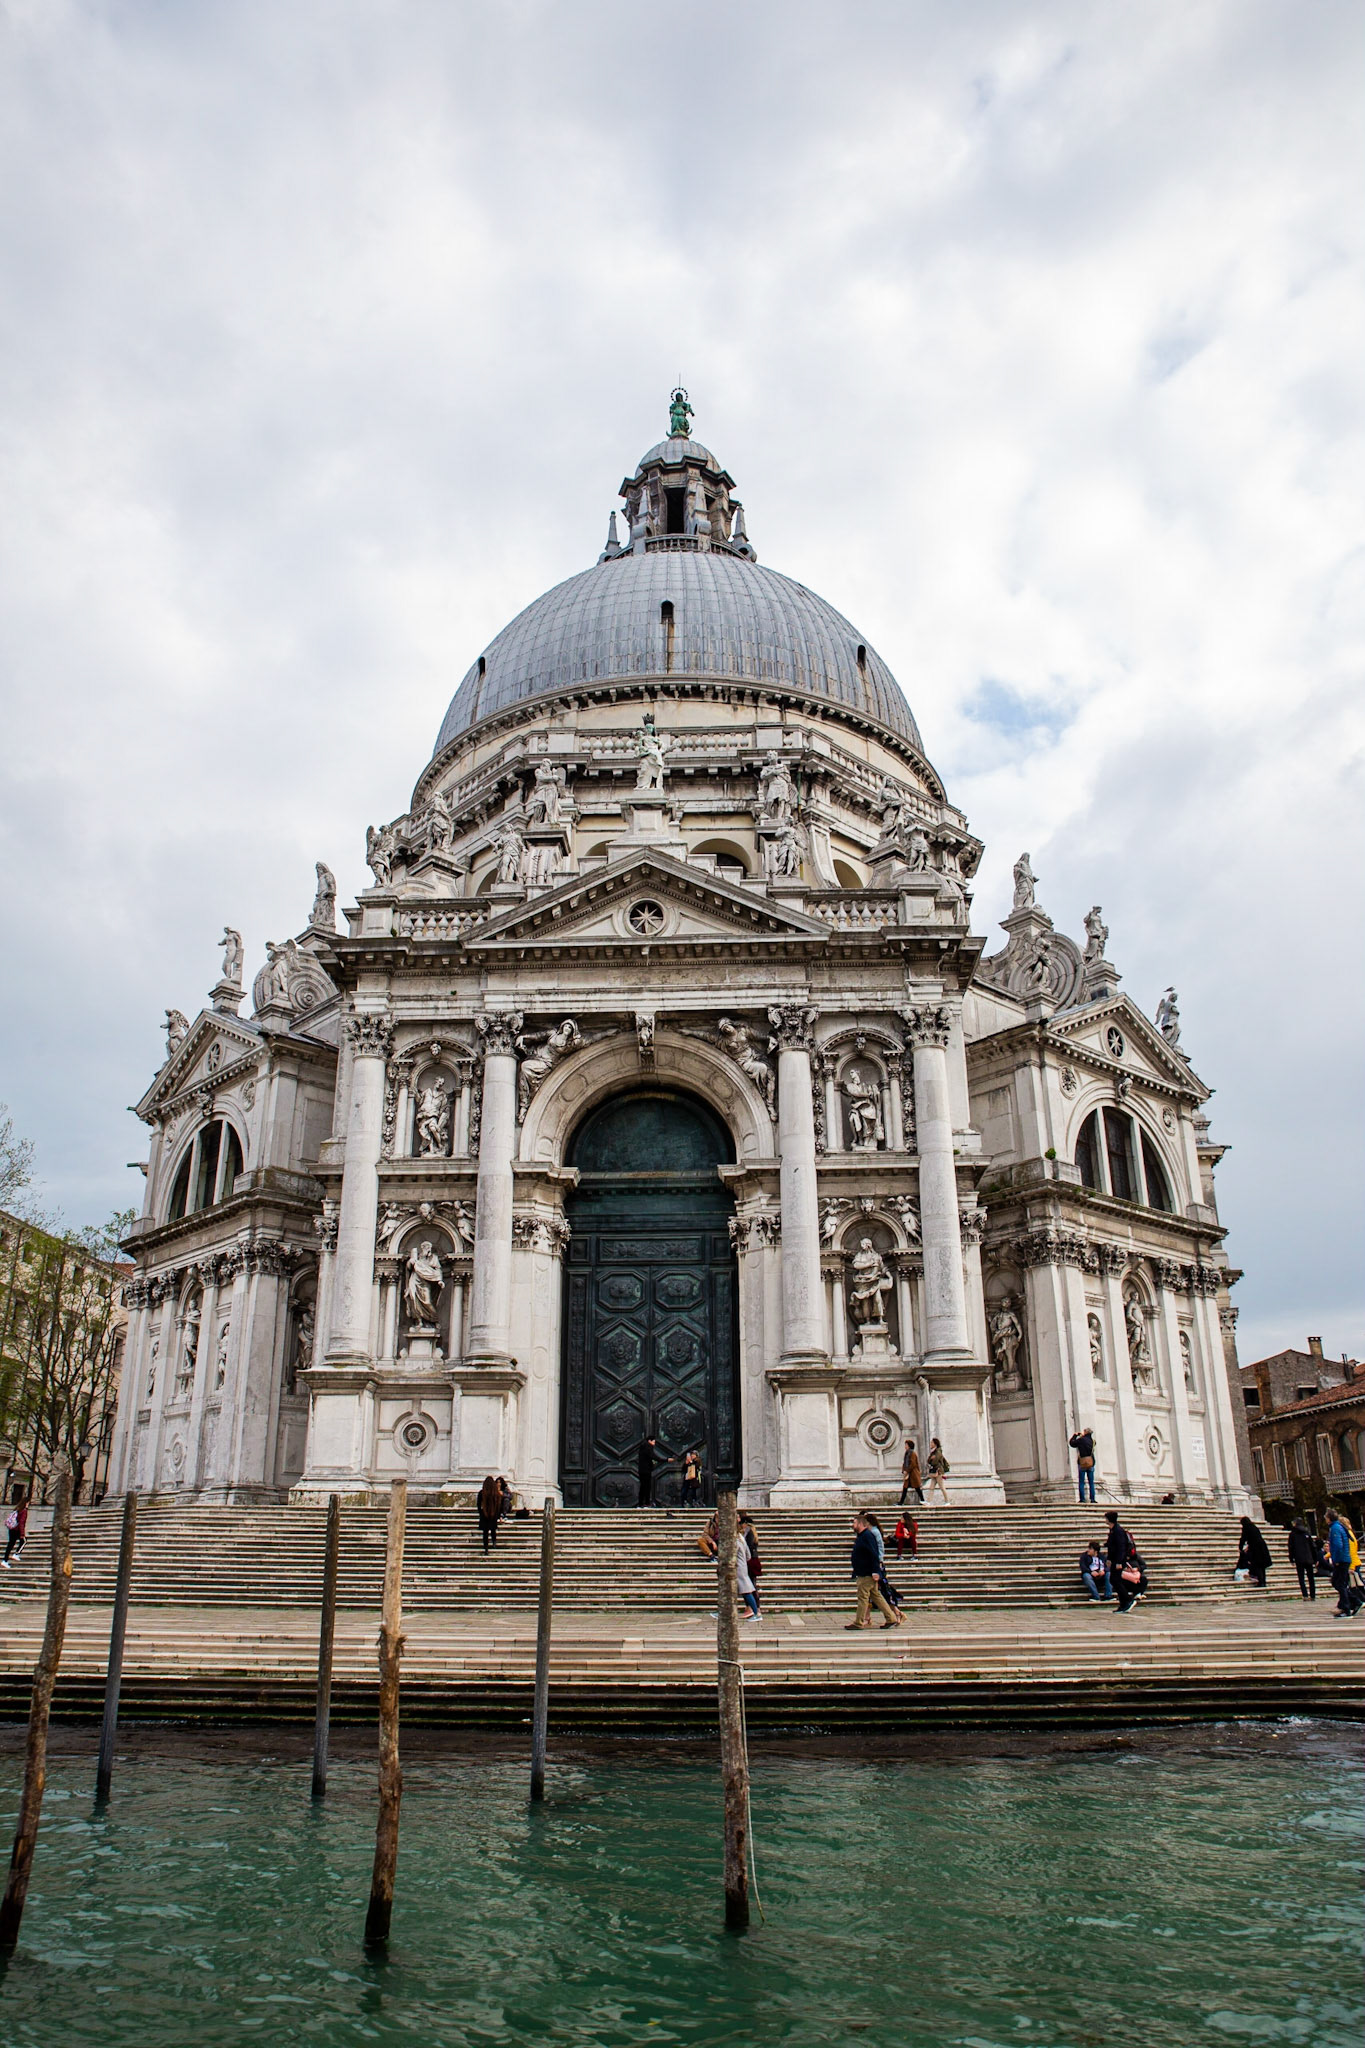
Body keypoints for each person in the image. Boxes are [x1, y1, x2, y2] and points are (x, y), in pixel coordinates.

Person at [845, 1513, 902, 1629]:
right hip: (865, 1571)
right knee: (876, 1596)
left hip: (866, 1573)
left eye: (854, 1523)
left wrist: (876, 1571)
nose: (852, 1525)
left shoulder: (867, 1536)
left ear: (861, 1524)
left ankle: (859, 1622)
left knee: (863, 1597)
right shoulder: (863, 1536)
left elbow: (874, 1554)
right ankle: (891, 1618)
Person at [1105, 1510, 1145, 1613]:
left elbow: (1121, 1548)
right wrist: (1109, 1559)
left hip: (1118, 1561)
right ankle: (1123, 1603)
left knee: (1116, 1580)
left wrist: (1119, 1562)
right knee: (1114, 1580)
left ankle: (1127, 1600)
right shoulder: (1113, 1530)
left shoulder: (1118, 1531)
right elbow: (1111, 1547)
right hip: (1114, 1560)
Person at [1326, 1510, 1362, 1618]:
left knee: (1340, 1584)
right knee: (1337, 1582)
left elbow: (1338, 1545)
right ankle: (1355, 1602)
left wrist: (1336, 1560)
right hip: (1344, 1559)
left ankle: (1347, 1609)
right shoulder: (1339, 1527)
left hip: (1341, 1560)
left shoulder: (1335, 1528)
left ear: (1329, 1518)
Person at [1236, 1515, 1272, 1588]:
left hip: (1255, 1548)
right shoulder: (1254, 1527)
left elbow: (1243, 1538)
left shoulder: (1246, 1528)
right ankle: (1263, 1582)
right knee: (1262, 1566)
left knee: (1257, 1564)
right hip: (1262, 1546)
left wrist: (1240, 1547)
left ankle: (1260, 1582)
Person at [1286, 1519, 1317, 1601]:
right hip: (1308, 1557)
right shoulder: (1306, 1532)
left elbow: (1291, 1547)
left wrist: (1291, 1558)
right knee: (1311, 1578)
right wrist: (1315, 1558)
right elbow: (1312, 1546)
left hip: (1299, 1558)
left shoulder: (1293, 1534)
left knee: (1301, 1577)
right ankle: (1313, 1595)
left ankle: (1305, 1594)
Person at [739, 1513, 762, 1613]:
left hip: (750, 1560)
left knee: (750, 1585)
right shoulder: (752, 1532)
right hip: (753, 1560)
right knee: (751, 1584)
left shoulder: (748, 1533)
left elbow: (748, 1548)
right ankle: (753, 1607)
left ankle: (754, 1608)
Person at [1069, 1426, 1097, 1504]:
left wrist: (1075, 1435)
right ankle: (1092, 1499)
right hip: (1090, 1462)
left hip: (1082, 1463)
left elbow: (1072, 1443)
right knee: (1091, 1482)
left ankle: (1082, 1499)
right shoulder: (1093, 1441)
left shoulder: (1081, 1440)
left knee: (1081, 1482)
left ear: (1085, 1432)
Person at [2, 1491, 28, 1569]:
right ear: (26, 1503)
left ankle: (5, 1560)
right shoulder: (24, 1511)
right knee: (24, 1541)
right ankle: (16, 1554)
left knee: (10, 1544)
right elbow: (22, 1522)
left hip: (12, 1528)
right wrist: (22, 1533)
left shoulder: (17, 1509)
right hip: (17, 1529)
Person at [476, 1474, 500, 1555]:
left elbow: (478, 1504)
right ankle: (494, 1542)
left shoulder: (482, 1493)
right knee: (493, 1530)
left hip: (484, 1514)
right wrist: (497, 1514)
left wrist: (481, 1512)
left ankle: (486, 1548)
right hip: (493, 1514)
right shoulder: (496, 1493)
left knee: (485, 1532)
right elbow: (498, 1505)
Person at [925, 1439, 950, 1504]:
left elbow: (934, 1462)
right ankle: (928, 1501)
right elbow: (928, 1461)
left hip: (938, 1472)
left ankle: (947, 1501)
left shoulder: (938, 1452)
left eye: (932, 1442)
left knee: (942, 1487)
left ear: (935, 1444)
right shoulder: (933, 1452)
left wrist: (932, 1459)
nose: (930, 1444)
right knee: (931, 1487)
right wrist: (931, 1458)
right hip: (934, 1472)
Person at [900, 1439, 923, 1505]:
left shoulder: (912, 1454)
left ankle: (923, 1500)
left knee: (917, 1487)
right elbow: (905, 1463)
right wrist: (903, 1470)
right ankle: (901, 1502)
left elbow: (913, 1464)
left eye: (906, 1445)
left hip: (913, 1474)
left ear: (909, 1446)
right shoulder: (907, 1453)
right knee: (905, 1488)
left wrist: (907, 1471)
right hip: (909, 1474)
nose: (905, 1446)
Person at [636, 1435, 657, 1508]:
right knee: (647, 1487)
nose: (654, 1443)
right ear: (649, 1441)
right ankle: (647, 1503)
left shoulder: (642, 1448)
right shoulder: (648, 1447)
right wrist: (666, 1460)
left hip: (642, 1470)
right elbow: (653, 1456)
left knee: (642, 1487)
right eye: (653, 1441)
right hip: (646, 1471)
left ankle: (640, 1504)